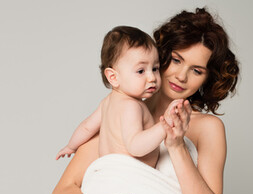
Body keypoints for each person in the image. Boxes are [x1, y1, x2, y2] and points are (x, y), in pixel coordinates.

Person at [50, 7, 240, 194]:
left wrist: (176, 145)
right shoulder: (119, 113)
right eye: (176, 60)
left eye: (197, 70)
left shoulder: (207, 128)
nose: (182, 76)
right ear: (161, 56)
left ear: (207, 79)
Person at [55, 26, 184, 171]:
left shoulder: (106, 103)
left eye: (155, 68)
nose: (152, 77)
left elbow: (86, 127)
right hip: (127, 177)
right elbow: (135, 146)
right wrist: (165, 125)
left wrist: (71, 146)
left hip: (106, 173)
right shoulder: (131, 106)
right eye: (141, 71)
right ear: (113, 77)